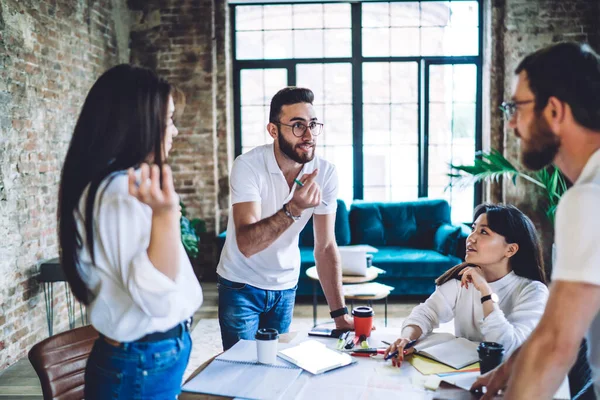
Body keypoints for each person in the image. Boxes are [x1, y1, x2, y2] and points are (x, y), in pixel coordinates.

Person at [58, 64, 203, 399]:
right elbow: (154, 295)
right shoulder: (118, 190)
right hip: (142, 361)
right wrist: (167, 213)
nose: (175, 131)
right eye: (168, 120)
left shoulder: (118, 183)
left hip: (149, 356)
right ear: (138, 123)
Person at [471, 42, 600, 399]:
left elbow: (557, 344)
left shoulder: (589, 197)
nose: (511, 123)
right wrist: (507, 370)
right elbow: (562, 322)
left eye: (516, 107)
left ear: (555, 110)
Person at [216, 86, 353, 350]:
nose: (309, 135)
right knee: (241, 369)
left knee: (276, 367)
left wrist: (339, 314)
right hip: (240, 285)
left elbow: (325, 247)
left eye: (313, 124)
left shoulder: (325, 172)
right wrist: (293, 209)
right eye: (298, 126)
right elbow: (247, 244)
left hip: (286, 287)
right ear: (273, 130)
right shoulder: (248, 166)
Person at [384, 204, 548, 367]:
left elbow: (508, 348)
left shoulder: (533, 291)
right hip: (461, 374)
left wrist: (485, 291)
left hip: (508, 381)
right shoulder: (463, 279)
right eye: (473, 229)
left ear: (510, 250)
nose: (471, 238)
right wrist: (406, 337)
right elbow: (426, 313)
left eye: (483, 232)